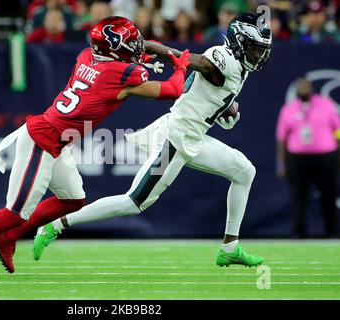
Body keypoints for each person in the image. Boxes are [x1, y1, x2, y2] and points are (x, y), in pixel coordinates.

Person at [0, 16, 191, 280]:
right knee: (15, 212)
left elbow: (120, 67)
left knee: (73, 199)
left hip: (57, 140)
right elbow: (172, 89)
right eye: (131, 42)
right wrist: (180, 66)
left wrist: (142, 58)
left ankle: (10, 236)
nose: (137, 45)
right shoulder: (121, 74)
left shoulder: (86, 56)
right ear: (114, 48)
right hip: (42, 140)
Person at [35, 13, 273, 267]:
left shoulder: (235, 65)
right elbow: (189, 61)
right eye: (253, 48)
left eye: (261, 50)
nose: (258, 56)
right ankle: (55, 224)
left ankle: (230, 247)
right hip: (175, 140)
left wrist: (224, 107)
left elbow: (202, 85)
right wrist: (148, 46)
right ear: (238, 42)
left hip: (192, 137)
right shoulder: (223, 59)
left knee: (245, 171)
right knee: (133, 202)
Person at [276, 78, 340, 238]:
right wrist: (281, 163)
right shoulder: (289, 108)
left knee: (329, 193)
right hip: (297, 159)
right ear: (297, 90)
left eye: (306, 85)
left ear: (312, 88)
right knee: (298, 195)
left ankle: (331, 230)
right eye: (301, 86)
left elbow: (338, 130)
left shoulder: (325, 104)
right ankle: (299, 231)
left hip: (326, 157)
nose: (304, 88)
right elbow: (281, 138)